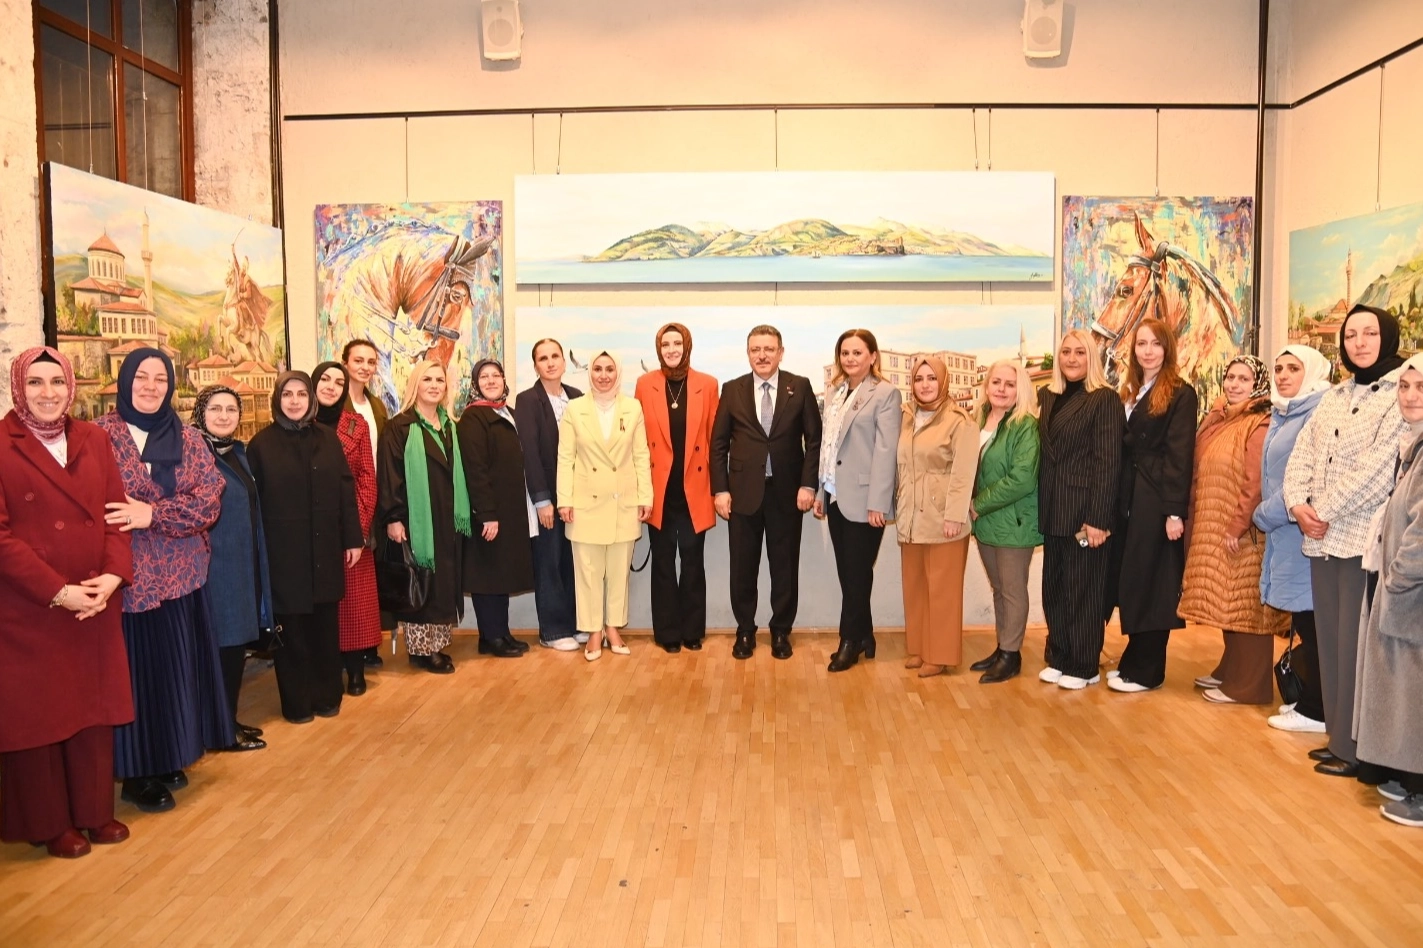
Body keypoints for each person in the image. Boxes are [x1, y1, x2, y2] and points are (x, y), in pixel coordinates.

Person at [0, 347, 133, 858]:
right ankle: (49, 823)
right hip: (31, 607)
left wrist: (113, 576)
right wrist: (58, 590)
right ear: (18, 387)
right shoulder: (2, 442)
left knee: (92, 710)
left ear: (71, 387)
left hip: (95, 599)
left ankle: (95, 812)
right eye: (35, 382)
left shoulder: (94, 438)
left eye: (57, 381)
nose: (48, 392)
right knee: (38, 716)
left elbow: (117, 514)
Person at [96, 348, 230, 813]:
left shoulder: (188, 438)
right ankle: (138, 772)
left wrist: (151, 513)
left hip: (181, 578)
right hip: (127, 582)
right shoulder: (99, 437)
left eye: (160, 379)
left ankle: (172, 754)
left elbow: (209, 501)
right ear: (125, 381)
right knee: (138, 679)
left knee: (176, 674)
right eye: (141, 377)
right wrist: (147, 514)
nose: (150, 387)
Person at [1284, 305, 1409, 778]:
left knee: (1356, 648)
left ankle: (1358, 748)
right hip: (1320, 539)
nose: (1359, 342)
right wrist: (1297, 504)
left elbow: (1376, 470)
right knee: (1330, 643)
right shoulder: (1335, 395)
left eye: (1369, 333)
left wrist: (1321, 510)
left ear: (1387, 336)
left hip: (1360, 539)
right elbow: (1303, 454)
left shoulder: (1398, 394)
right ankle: (1338, 738)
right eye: (1351, 334)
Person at [247, 371, 363, 723]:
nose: (295, 401)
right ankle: (297, 704)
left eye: (301, 394)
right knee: (292, 633)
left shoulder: (328, 439)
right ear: (277, 400)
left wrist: (353, 539)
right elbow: (254, 506)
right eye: (287, 394)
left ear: (311, 399)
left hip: (325, 548)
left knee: (325, 629)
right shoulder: (260, 445)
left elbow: (345, 491)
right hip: (283, 554)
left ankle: (327, 697)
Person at [1178, 356, 1289, 703]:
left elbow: (1255, 482)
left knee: (1247, 607)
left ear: (1258, 385)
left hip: (1244, 532)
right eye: (1230, 377)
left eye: (1244, 379)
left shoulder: (1259, 423)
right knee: (1228, 602)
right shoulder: (1226, 418)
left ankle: (1249, 686)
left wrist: (1238, 525)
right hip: (1218, 524)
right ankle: (1231, 669)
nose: (1234, 384)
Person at [710, 325, 822, 660]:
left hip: (787, 494)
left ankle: (781, 631)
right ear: (748, 353)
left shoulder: (799, 386)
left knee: (784, 568)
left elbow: (814, 440)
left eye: (769, 349)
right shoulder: (732, 389)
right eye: (756, 349)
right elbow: (718, 445)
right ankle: (745, 630)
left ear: (780, 352)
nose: (762, 355)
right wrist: (720, 490)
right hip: (742, 495)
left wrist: (808, 484)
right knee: (742, 568)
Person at [1106, 318, 1197, 693]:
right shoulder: (1131, 389)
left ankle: (1148, 671)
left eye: (1155, 344)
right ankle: (1133, 660)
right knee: (1135, 580)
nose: (1148, 351)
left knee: (1155, 584)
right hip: (1131, 496)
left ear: (1167, 348)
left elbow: (1180, 455)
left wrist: (1174, 511)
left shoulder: (1180, 393)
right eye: (1141, 344)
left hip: (1157, 498)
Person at [1356, 353, 1423, 825]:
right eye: (1405, 386)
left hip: (1412, 591)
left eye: (1421, 388)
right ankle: (1409, 776)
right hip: (1405, 590)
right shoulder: (1413, 444)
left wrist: (1397, 577)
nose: (1411, 396)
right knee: (1404, 694)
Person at [1037, 329, 1124, 689]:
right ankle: (1060, 656)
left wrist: (1098, 519)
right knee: (1054, 589)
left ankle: (1084, 665)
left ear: (1092, 358)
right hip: (1053, 511)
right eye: (1066, 352)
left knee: (1083, 591)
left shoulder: (1104, 400)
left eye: (1080, 352)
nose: (1071, 358)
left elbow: (1109, 462)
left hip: (1085, 515)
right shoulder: (1048, 396)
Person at [813, 329, 903, 672]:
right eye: (845, 353)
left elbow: (886, 450)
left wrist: (879, 502)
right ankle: (865, 635)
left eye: (857, 352)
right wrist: (822, 491)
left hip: (867, 500)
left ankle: (848, 641)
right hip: (836, 495)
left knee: (856, 573)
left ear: (873, 356)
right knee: (851, 573)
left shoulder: (885, 393)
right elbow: (829, 446)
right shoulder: (836, 392)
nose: (850, 358)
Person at [1256, 346, 1333, 733]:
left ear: (1314, 372)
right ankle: (1311, 700)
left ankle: (1318, 710)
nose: (1284, 375)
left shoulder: (1318, 412)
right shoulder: (1285, 410)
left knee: (1315, 624)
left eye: (1294, 368)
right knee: (1306, 622)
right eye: (1279, 368)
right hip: (1287, 535)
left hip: (1305, 532)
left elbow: (1306, 479)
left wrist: (1264, 513)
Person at [556, 351, 653, 661]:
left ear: (618, 373)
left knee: (618, 573)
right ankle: (593, 631)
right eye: (597, 369)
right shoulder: (575, 409)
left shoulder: (632, 408)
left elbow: (641, 456)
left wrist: (645, 497)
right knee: (588, 573)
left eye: (609, 369)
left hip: (623, 502)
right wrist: (564, 500)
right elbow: (565, 458)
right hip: (585, 503)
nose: (603, 375)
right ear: (590, 373)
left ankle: (612, 627)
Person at [377, 359, 470, 672]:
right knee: (421, 583)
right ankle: (421, 650)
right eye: (427, 379)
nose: (434, 385)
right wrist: (393, 518)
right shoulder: (399, 427)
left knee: (443, 582)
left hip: (446, 518)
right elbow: (389, 476)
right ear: (415, 385)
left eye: (439, 380)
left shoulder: (450, 426)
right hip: (416, 520)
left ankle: (437, 644)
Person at [192, 385, 271, 750]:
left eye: (230, 409)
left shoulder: (237, 452)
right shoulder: (194, 454)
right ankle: (220, 731)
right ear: (201, 413)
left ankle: (228, 720)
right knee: (221, 650)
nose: (224, 416)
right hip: (214, 570)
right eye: (215, 409)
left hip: (242, 567)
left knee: (234, 649)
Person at [634, 323, 720, 653]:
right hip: (659, 490)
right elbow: (639, 441)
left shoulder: (707, 384)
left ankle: (692, 631)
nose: (671, 350)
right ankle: (668, 633)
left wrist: (718, 488)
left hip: (694, 487)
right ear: (659, 349)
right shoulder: (645, 384)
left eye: (677, 343)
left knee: (693, 563)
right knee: (663, 563)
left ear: (687, 346)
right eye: (665, 344)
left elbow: (715, 440)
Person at [894, 354, 976, 677]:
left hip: (944, 519)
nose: (925, 385)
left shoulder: (959, 421)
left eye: (931, 378)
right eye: (919, 378)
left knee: (942, 591)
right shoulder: (907, 417)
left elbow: (964, 473)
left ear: (943, 381)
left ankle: (940, 655)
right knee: (915, 587)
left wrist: (955, 515)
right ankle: (919, 647)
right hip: (911, 518)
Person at [969, 359, 1043, 684]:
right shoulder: (978, 420)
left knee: (1012, 590)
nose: (1001, 389)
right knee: (999, 588)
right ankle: (1003, 648)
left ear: (1020, 390)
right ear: (986, 386)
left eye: (1009, 384)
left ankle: (1011, 656)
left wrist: (978, 504)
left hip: (1014, 522)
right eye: (996, 382)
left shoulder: (1025, 425)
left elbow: (1022, 479)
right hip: (986, 523)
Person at [312, 361, 384, 695]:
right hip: (313, 527)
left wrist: (360, 527)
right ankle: (326, 669)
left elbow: (368, 478)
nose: (331, 386)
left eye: (338, 382)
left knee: (355, 603)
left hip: (351, 526)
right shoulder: (301, 425)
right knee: (322, 605)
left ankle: (355, 670)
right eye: (325, 380)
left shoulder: (356, 425)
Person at [457, 359, 534, 659]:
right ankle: (491, 637)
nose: (491, 381)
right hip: (489, 513)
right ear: (476, 384)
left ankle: (500, 633)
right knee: (488, 576)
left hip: (508, 510)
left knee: (500, 574)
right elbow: (475, 469)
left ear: (504, 380)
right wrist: (486, 513)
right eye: (484, 377)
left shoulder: (506, 412)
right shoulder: (473, 418)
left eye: (496, 375)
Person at [515, 339, 584, 651]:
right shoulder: (527, 400)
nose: (551, 362)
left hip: (578, 496)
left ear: (564, 362)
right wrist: (542, 500)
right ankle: (553, 631)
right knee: (550, 561)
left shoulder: (577, 397)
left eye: (555, 356)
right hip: (547, 498)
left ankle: (575, 624)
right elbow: (529, 451)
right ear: (535, 366)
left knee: (573, 562)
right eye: (543, 358)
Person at [343, 338, 388, 670]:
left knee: (370, 576)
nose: (365, 367)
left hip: (376, 497)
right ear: (345, 363)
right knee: (350, 576)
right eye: (358, 360)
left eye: (370, 362)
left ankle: (368, 642)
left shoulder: (377, 407)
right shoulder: (337, 406)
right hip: (350, 498)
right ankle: (350, 648)